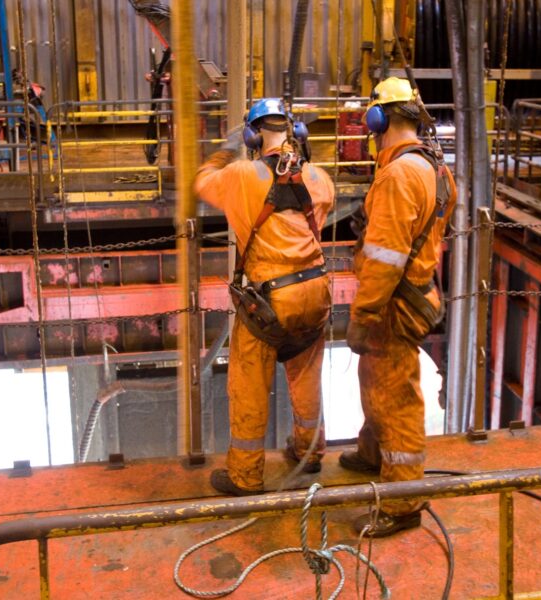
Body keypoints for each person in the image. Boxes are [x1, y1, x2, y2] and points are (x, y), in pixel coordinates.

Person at [194, 98, 335, 496]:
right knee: (306, 376)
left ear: (253, 134)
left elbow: (203, 181)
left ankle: (245, 475)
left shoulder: (240, 175)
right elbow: (314, 226)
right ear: (295, 132)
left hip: (271, 301)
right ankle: (309, 451)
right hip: (316, 291)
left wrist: (225, 147)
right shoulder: (320, 178)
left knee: (249, 383)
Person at [340, 77, 457, 537]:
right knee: (377, 378)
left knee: (395, 394)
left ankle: (403, 502)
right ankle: (372, 452)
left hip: (392, 302)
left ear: (378, 120)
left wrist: (362, 317)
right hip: (416, 290)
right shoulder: (435, 168)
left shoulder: (397, 174)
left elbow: (385, 258)